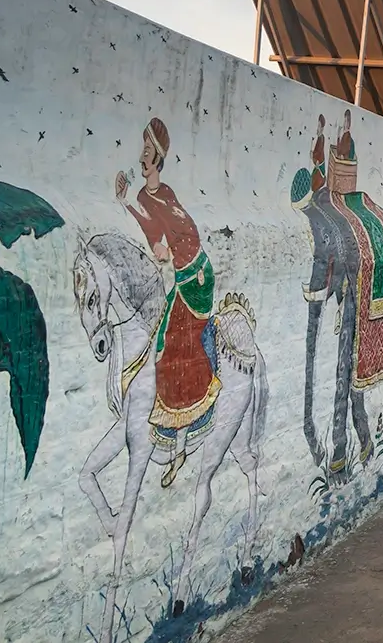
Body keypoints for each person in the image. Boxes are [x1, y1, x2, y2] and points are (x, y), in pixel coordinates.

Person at [116, 117, 218, 489]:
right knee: (160, 339)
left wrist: (160, 246)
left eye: (146, 151)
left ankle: (182, 434)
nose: (141, 157)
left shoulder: (167, 192)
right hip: (183, 276)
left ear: (156, 158)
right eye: (142, 150)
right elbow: (153, 231)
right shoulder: (146, 197)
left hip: (197, 277)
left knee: (175, 346)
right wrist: (126, 202)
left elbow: (166, 240)